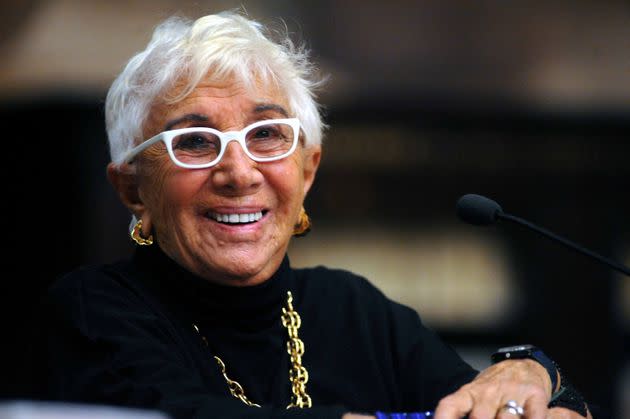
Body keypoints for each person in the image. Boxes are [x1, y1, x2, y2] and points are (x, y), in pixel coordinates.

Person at [42, 10, 592, 419]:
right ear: (133, 189)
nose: (239, 172)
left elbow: (490, 401)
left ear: (307, 171)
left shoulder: (354, 310)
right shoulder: (93, 310)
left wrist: (534, 374)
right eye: (194, 141)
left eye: (266, 134)